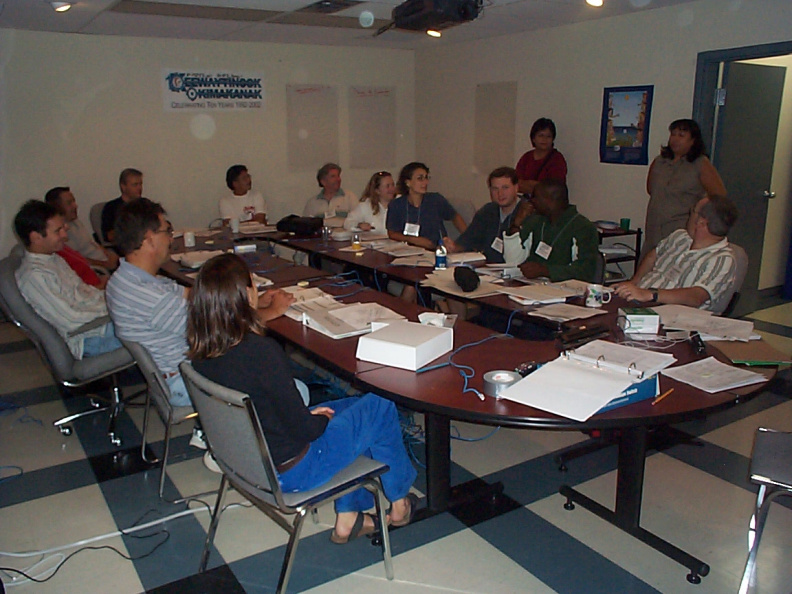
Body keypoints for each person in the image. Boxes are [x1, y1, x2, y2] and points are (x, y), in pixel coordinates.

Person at [187, 253, 418, 543]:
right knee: (380, 406)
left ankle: (350, 517)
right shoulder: (261, 353)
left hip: (250, 464)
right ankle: (399, 505)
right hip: (295, 470)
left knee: (356, 408)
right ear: (247, 294)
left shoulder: (201, 357)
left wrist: (314, 419)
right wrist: (316, 421)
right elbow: (306, 431)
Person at [107, 198, 296, 412]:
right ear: (149, 240)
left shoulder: (126, 279)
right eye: (167, 231)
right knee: (289, 383)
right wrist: (272, 311)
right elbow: (220, 328)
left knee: (272, 365)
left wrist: (244, 299)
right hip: (187, 380)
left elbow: (195, 296)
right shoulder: (150, 297)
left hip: (178, 371)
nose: (171, 238)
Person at [13, 200, 121, 359]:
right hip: (88, 337)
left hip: (98, 324)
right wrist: (114, 309)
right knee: (158, 328)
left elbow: (85, 292)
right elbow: (72, 320)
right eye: (58, 231)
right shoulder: (34, 277)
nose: (65, 235)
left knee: (154, 313)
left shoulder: (54, 259)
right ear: (36, 237)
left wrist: (115, 299)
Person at [615, 194, 738, 311]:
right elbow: (653, 256)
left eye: (693, 211)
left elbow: (697, 296)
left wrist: (650, 294)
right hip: (637, 299)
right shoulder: (680, 237)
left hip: (665, 314)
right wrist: (633, 283)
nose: (689, 216)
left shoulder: (722, 259)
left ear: (701, 222)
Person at [643, 119, 726, 254]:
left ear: (693, 141)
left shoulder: (700, 163)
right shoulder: (660, 161)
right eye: (673, 134)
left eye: (681, 136)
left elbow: (719, 195)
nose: (675, 139)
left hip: (680, 231)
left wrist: (698, 212)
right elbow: (650, 189)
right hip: (654, 229)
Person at [503, 179, 599, 282]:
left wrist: (546, 271)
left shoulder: (583, 227)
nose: (532, 201)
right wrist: (516, 224)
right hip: (532, 285)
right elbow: (512, 261)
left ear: (551, 200)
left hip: (565, 289)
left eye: (536, 197)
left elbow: (586, 271)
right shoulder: (536, 221)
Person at [444, 166, 525, 263]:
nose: (500, 194)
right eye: (495, 189)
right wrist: (452, 246)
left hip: (516, 271)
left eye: (505, 188)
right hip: (488, 269)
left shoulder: (526, 212)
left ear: (516, 188)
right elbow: (468, 240)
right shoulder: (487, 211)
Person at [386, 162, 466, 251]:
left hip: (436, 250)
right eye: (420, 179)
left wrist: (467, 240)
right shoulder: (396, 205)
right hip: (408, 251)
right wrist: (413, 239)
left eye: (426, 178)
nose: (425, 182)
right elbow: (392, 233)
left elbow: (455, 217)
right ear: (408, 182)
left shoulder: (435, 200)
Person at [45, 186, 120, 271]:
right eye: (69, 203)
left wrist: (108, 253)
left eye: (74, 201)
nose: (75, 206)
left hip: (106, 261)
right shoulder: (61, 233)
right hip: (96, 269)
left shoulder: (75, 221)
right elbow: (77, 260)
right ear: (57, 207)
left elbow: (92, 242)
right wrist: (106, 264)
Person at [515, 118, 567, 197]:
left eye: (548, 136)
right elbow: (516, 184)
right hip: (527, 204)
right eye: (541, 135)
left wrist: (529, 185)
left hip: (548, 206)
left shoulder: (557, 159)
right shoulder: (526, 157)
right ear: (533, 138)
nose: (544, 139)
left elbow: (553, 188)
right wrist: (537, 186)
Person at [101, 168, 143, 244]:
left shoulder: (146, 205)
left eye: (140, 184)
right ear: (123, 187)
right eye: (135, 185)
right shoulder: (111, 207)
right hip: (123, 247)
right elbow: (108, 236)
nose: (139, 188)